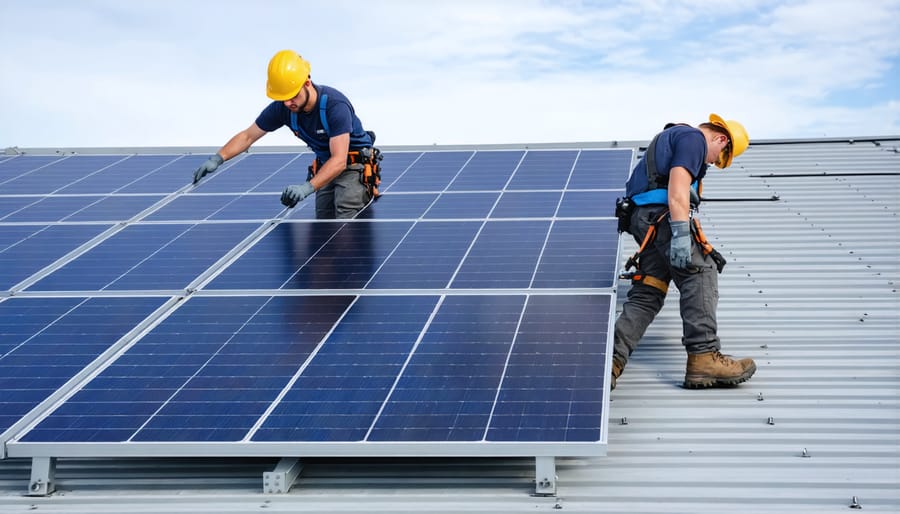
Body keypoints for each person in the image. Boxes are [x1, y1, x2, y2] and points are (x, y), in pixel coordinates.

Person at [612, 113, 755, 390]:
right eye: (717, 158)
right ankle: (704, 357)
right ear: (721, 139)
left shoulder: (667, 139)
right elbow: (678, 189)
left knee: (648, 292)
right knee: (700, 270)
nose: (711, 162)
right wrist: (679, 232)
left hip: (643, 222)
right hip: (663, 218)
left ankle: (611, 362)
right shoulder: (693, 139)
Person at [192, 49, 379, 219]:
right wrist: (218, 158)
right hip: (325, 166)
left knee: (345, 218)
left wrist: (306, 188)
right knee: (324, 222)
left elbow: (339, 161)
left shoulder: (334, 106)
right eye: (283, 98)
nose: (288, 103)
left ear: (307, 83)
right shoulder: (283, 108)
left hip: (352, 166)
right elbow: (247, 136)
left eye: (293, 96)